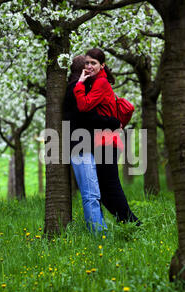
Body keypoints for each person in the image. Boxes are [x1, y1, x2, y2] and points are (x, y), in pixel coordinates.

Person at [74, 48, 140, 226]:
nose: (89, 66)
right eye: (87, 63)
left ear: (102, 65)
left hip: (107, 142)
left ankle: (134, 225)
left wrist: (79, 84)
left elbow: (83, 106)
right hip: (104, 141)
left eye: (93, 63)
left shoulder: (101, 83)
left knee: (110, 188)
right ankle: (128, 224)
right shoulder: (97, 81)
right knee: (104, 191)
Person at [63, 55, 120, 233]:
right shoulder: (75, 89)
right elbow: (88, 118)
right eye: (87, 67)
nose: (90, 69)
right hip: (80, 147)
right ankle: (99, 235)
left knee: (94, 192)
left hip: (85, 146)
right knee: (91, 194)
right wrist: (113, 122)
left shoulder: (80, 88)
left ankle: (99, 229)